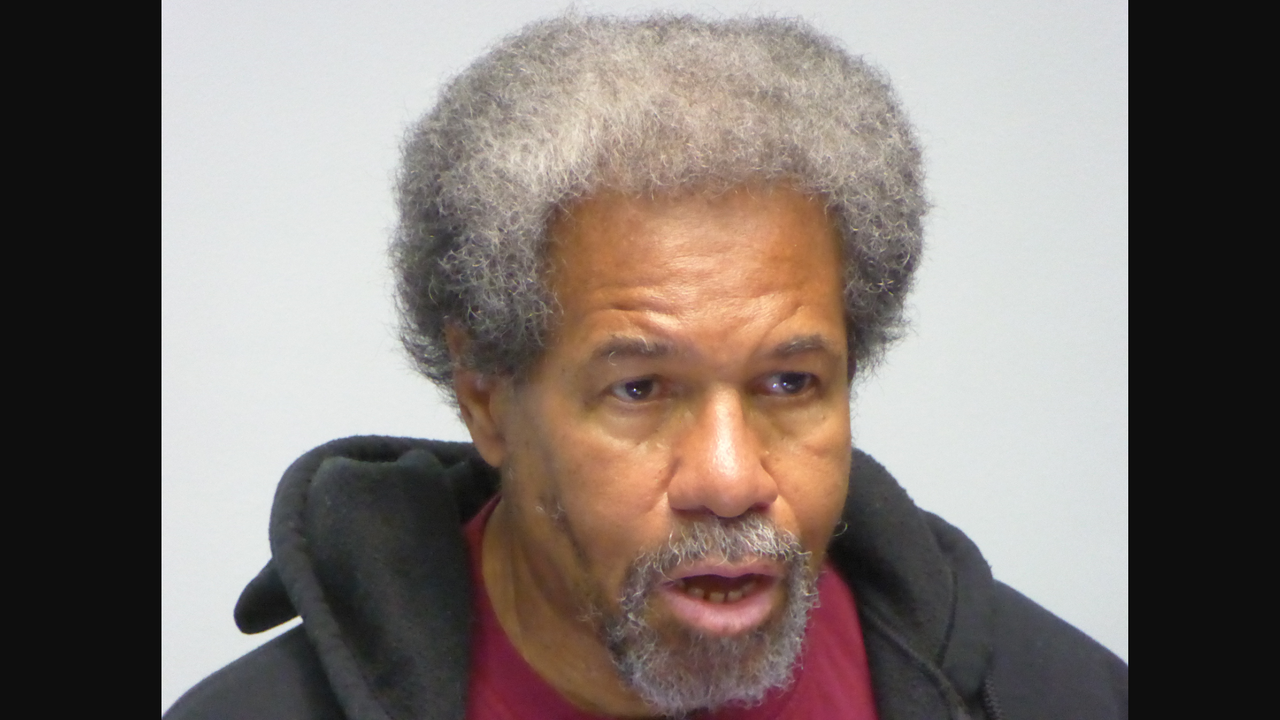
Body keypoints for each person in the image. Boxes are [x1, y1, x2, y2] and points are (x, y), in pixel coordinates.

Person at [164, 13, 1127, 720]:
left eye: (789, 384)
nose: (730, 481)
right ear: (486, 398)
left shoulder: (1064, 697)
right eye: (640, 389)